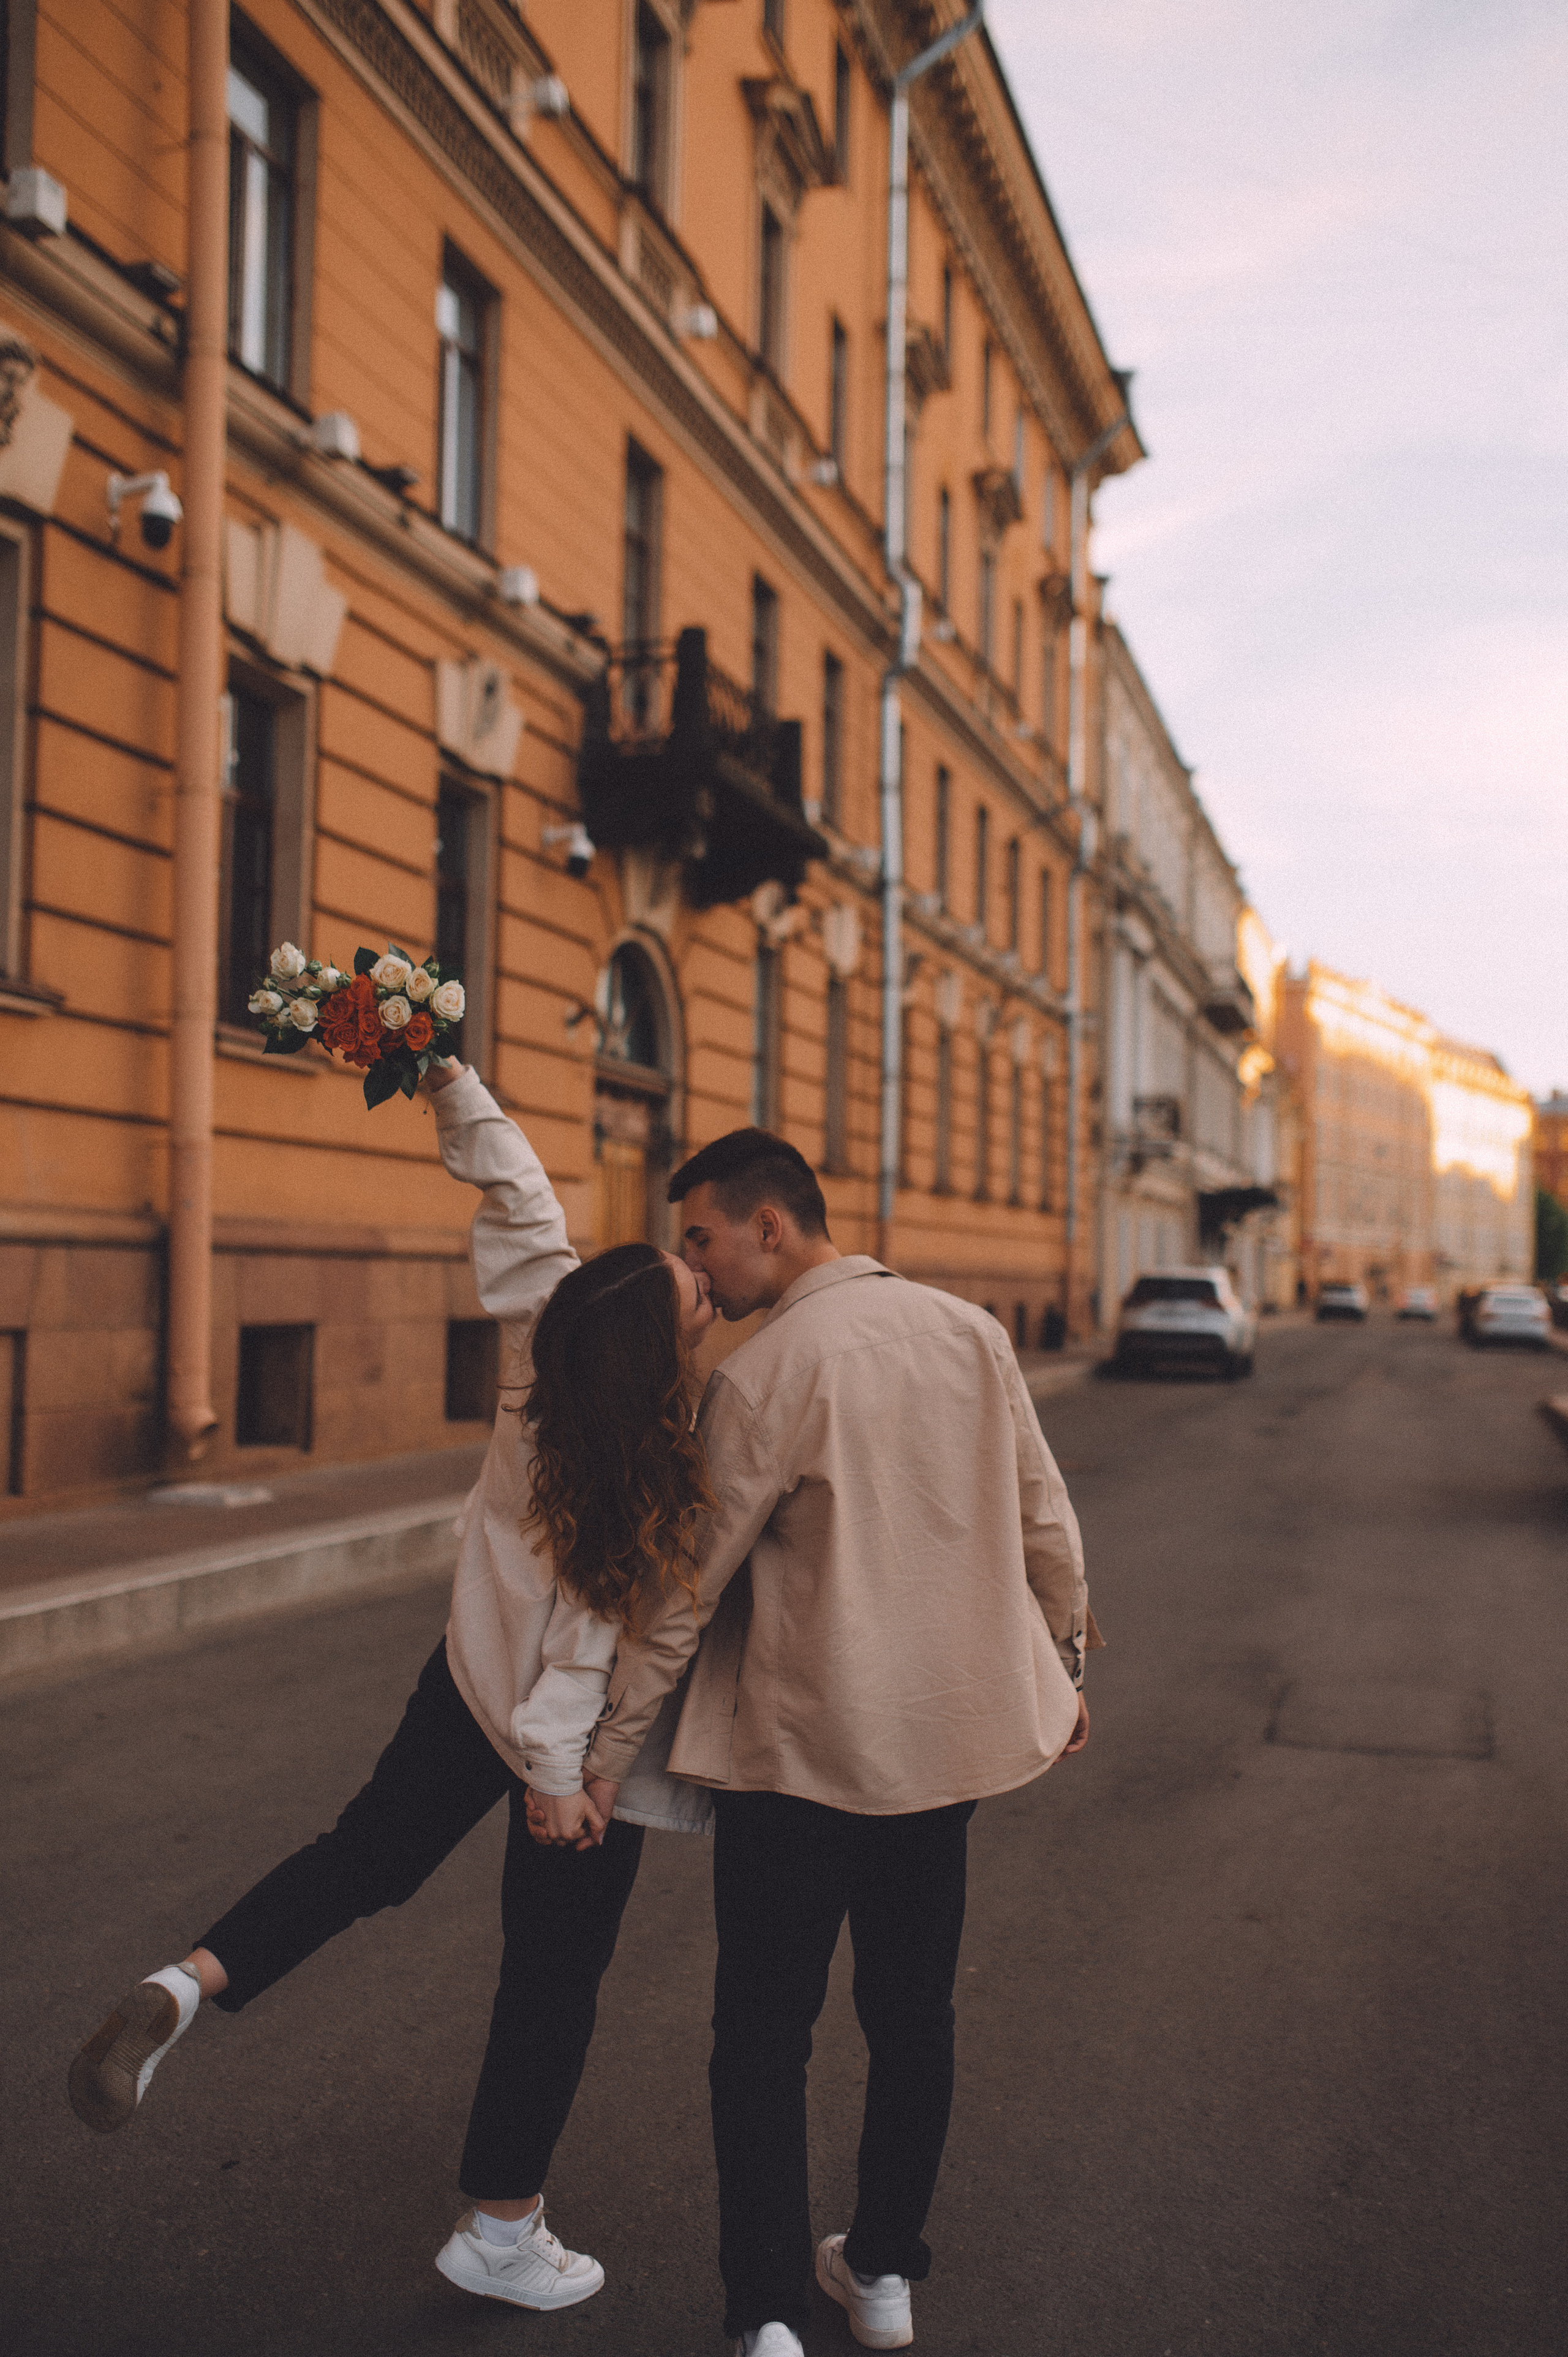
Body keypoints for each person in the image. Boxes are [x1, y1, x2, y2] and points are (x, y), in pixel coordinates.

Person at [67, 1059, 717, 2314]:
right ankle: (500, 2228)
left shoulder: (545, 1349)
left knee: (362, 1854)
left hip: (460, 1676)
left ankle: (187, 1981)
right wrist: (558, 1780)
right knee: (550, 1973)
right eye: (694, 1290)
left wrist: (444, 1074)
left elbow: (523, 1201)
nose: (703, 1291)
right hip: (559, 1743)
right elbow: (585, 1638)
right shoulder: (648, 1462)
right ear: (658, 1346)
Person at [571, 1127, 1101, 2357]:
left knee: (760, 2035)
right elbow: (1046, 1521)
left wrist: (603, 1758)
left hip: (798, 1759)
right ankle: (880, 2274)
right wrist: (1066, 1667)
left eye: (699, 1233)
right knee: (911, 2015)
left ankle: (763, 2314)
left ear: (771, 1225)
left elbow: (680, 1594)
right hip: (941, 1755)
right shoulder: (970, 1332)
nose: (692, 1261)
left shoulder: (760, 1376)